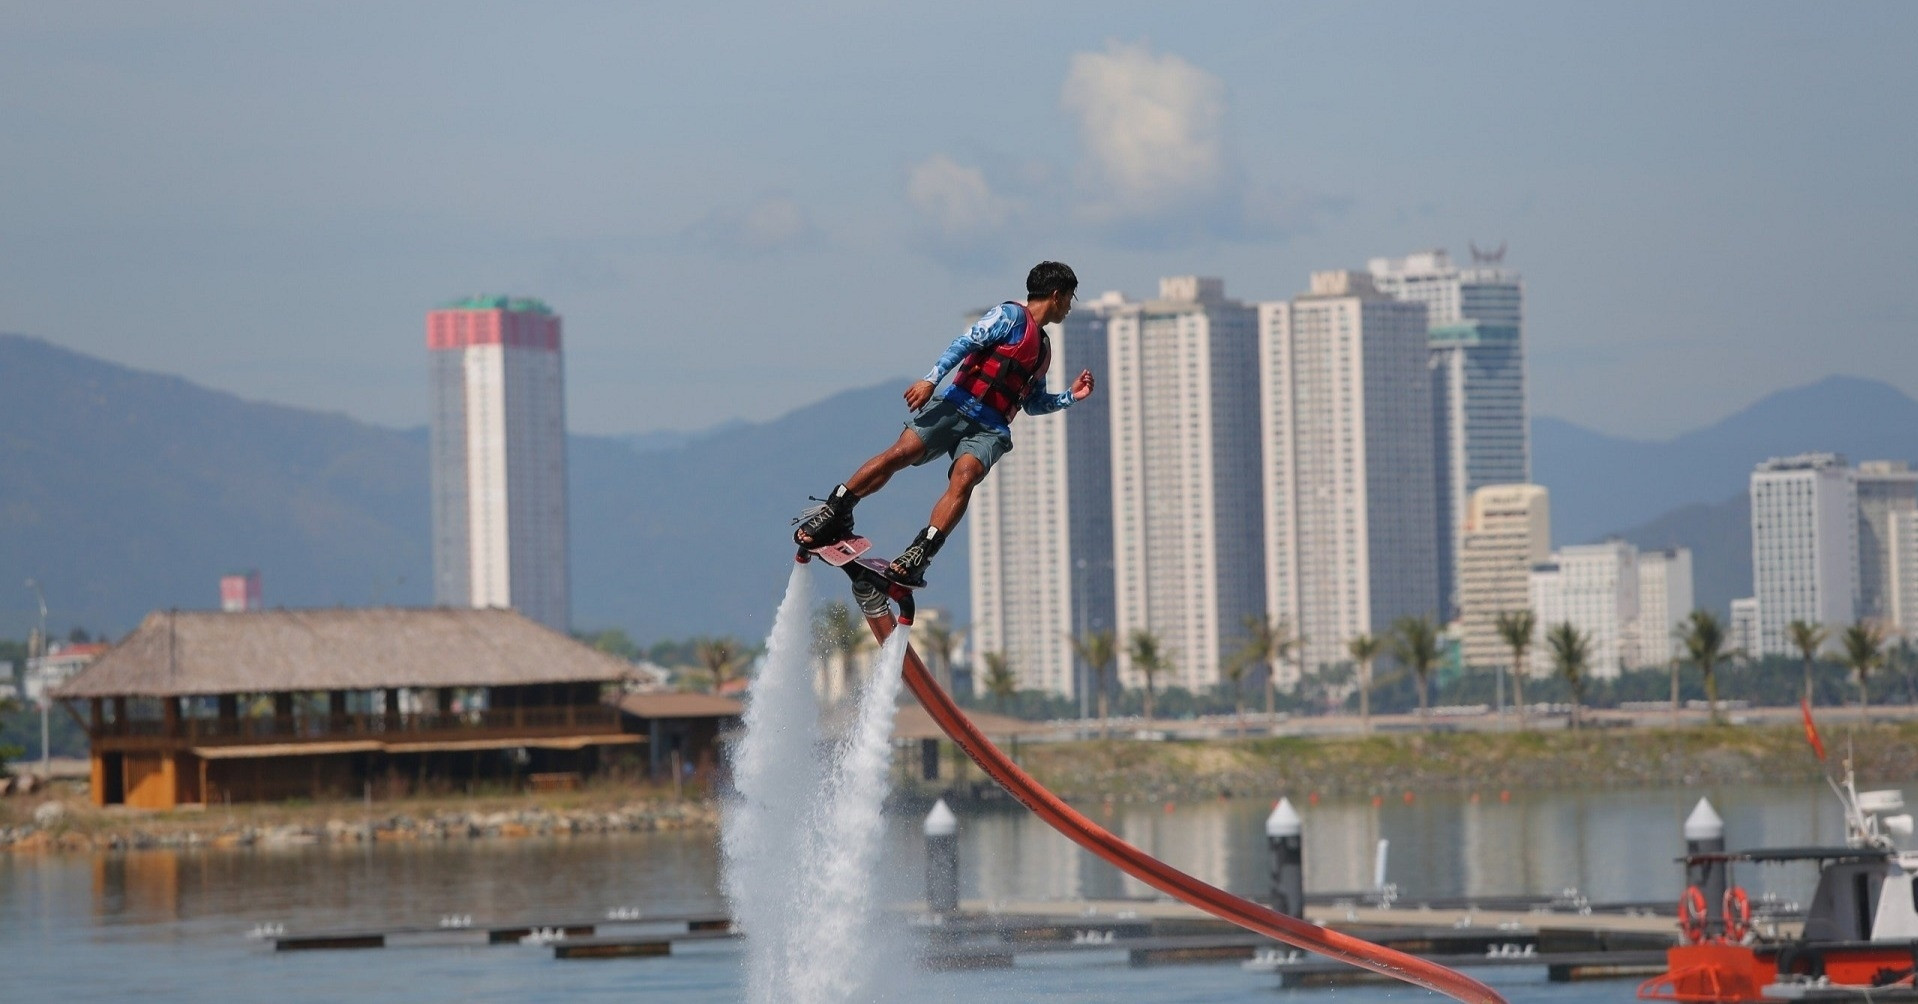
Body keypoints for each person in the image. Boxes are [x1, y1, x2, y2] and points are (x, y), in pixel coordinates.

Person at [793, 261, 1095, 586]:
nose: (1069, 307)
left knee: (965, 478)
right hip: (957, 403)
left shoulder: (1043, 350)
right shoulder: (1009, 316)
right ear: (1057, 295)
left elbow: (1033, 403)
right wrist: (930, 381)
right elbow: (965, 343)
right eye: (1070, 298)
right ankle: (835, 511)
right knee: (901, 452)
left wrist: (1070, 396)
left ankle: (920, 552)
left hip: (990, 429)